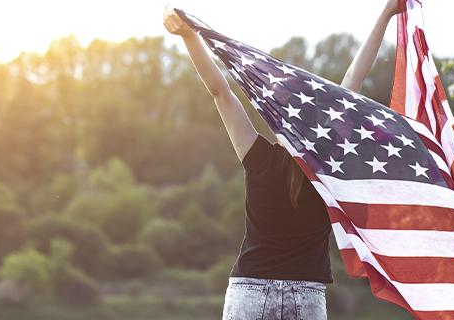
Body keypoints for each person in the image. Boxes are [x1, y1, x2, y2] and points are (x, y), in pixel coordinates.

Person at [162, 1, 404, 319]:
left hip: (249, 290)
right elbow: (352, 83)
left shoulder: (257, 155)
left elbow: (220, 91)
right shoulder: (325, 167)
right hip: (305, 295)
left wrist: (189, 37)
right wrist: (385, 14)